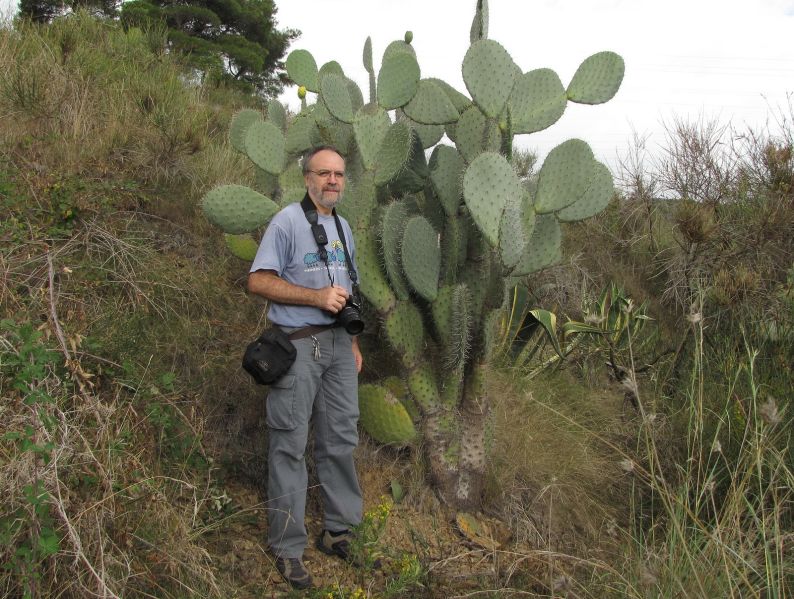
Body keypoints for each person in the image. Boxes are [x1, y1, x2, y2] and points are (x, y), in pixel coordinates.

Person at [247, 146, 364, 590]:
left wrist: (351, 341)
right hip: (297, 348)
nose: (332, 181)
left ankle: (338, 530)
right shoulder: (287, 222)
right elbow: (258, 280)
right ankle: (288, 548)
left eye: (338, 174)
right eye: (323, 173)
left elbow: (346, 288)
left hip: (337, 347)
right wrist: (315, 298)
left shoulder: (344, 226)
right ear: (307, 179)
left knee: (340, 439)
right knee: (289, 445)